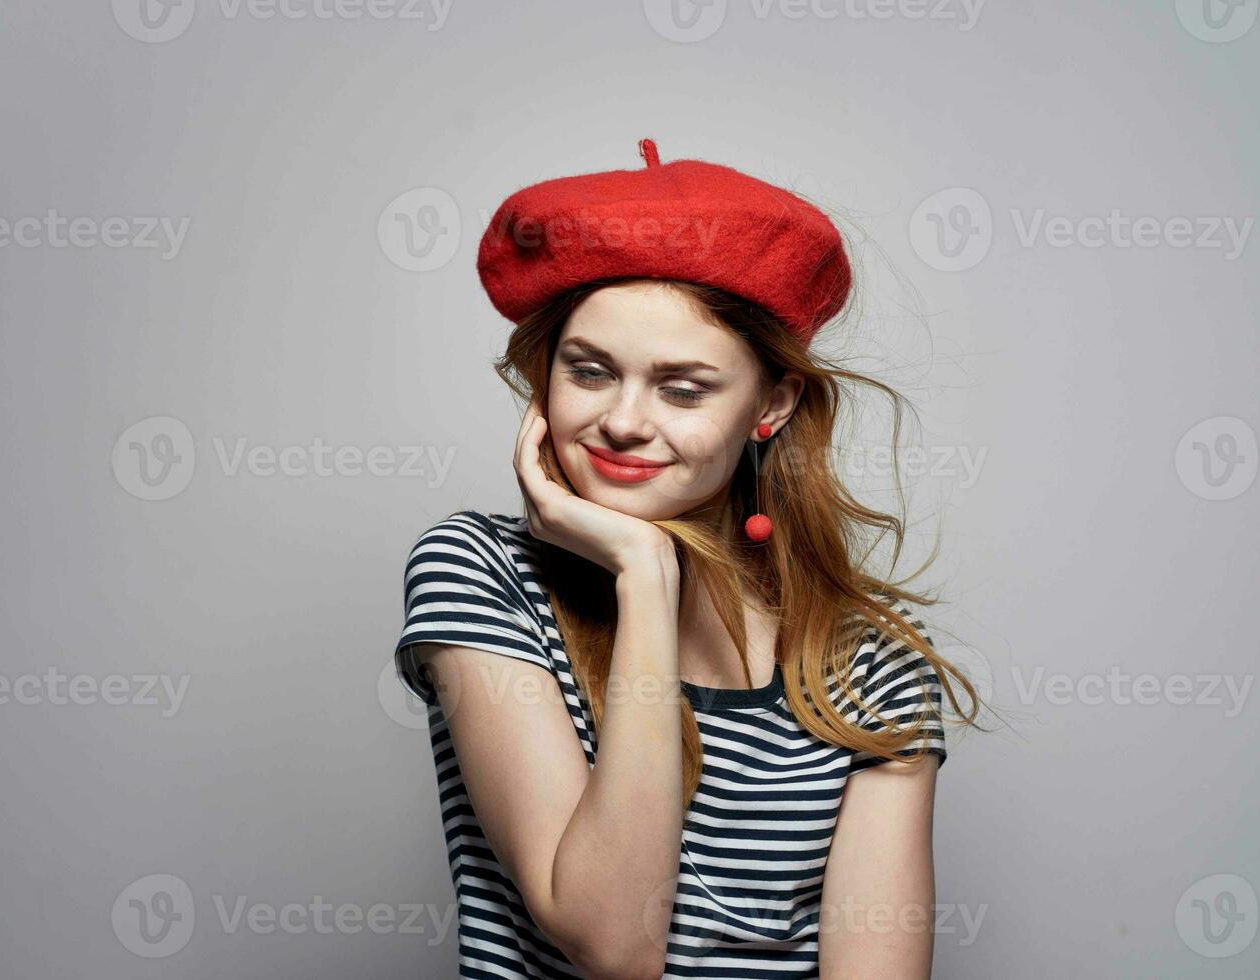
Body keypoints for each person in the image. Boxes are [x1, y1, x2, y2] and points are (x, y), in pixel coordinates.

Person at [393, 139, 981, 979]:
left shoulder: (871, 664)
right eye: (589, 372)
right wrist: (642, 573)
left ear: (769, 405)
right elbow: (609, 943)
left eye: (681, 388)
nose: (625, 421)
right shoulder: (480, 572)